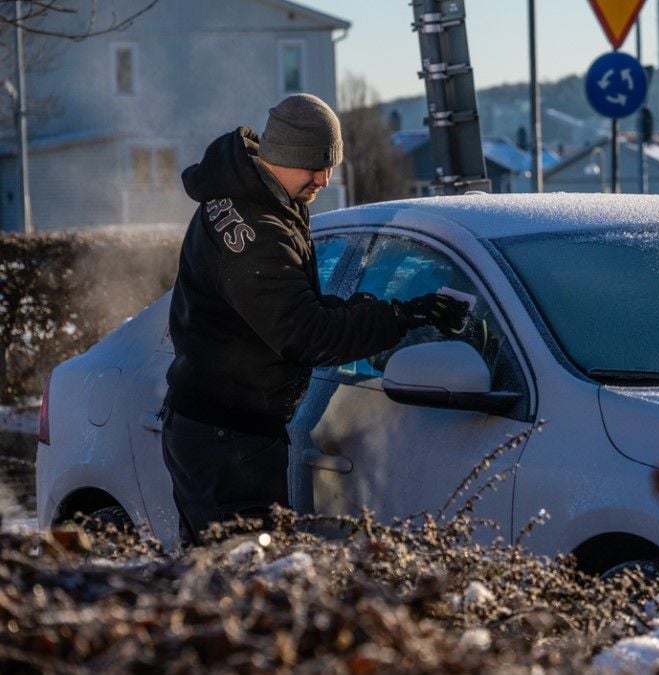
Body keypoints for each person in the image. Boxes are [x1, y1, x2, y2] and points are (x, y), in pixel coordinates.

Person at [161, 93, 467, 545]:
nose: (324, 178)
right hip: (226, 441)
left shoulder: (260, 200)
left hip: (224, 430)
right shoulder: (255, 233)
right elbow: (307, 335)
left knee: (225, 583)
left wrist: (376, 311)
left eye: (330, 166)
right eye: (315, 166)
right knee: (240, 589)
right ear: (284, 155)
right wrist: (399, 317)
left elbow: (300, 308)